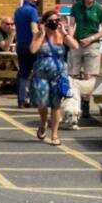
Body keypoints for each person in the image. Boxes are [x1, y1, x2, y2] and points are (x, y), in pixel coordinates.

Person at [29, 9, 77, 145]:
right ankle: (43, 122)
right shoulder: (39, 35)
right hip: (41, 75)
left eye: (57, 20)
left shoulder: (62, 35)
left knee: (56, 105)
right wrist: (42, 33)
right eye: (51, 21)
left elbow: (75, 45)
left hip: (58, 75)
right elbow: (33, 50)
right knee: (42, 103)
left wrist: (64, 33)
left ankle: (54, 134)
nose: (54, 23)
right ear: (44, 23)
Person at [69, 0, 102, 115]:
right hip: (76, 43)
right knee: (71, 74)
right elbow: (71, 24)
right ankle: (70, 101)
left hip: (92, 45)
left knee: (89, 75)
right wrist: (70, 38)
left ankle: (86, 104)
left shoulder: (100, 9)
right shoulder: (76, 7)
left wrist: (91, 38)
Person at [13, 0, 41, 108]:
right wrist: (38, 39)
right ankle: (34, 100)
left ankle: (21, 101)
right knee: (36, 72)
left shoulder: (18, 11)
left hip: (20, 45)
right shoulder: (32, 11)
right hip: (31, 44)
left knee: (23, 73)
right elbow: (34, 29)